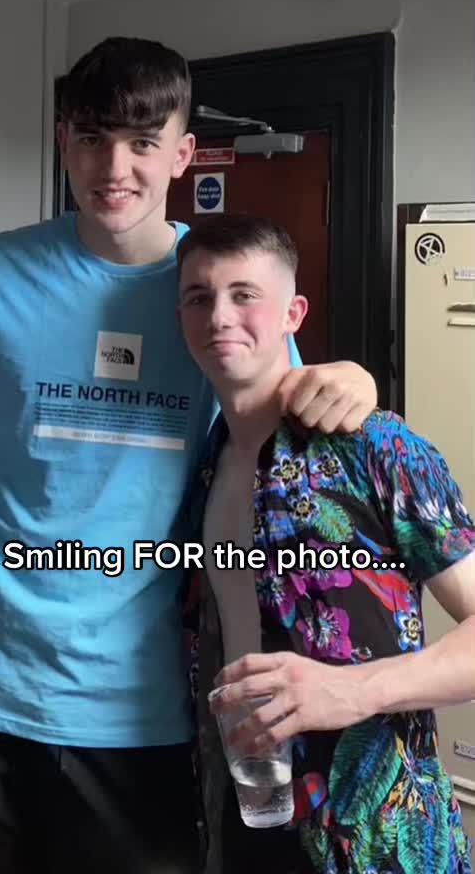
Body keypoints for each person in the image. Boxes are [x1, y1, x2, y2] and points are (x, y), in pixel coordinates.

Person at [0, 37, 376, 874]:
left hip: (143, 705)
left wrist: (354, 376)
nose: (115, 167)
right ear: (63, 142)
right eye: (92, 137)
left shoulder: (211, 288)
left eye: (143, 142)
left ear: (181, 153)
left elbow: (290, 405)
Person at [176, 213, 475, 874]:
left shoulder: (375, 445)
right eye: (199, 297)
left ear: (294, 314)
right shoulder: (205, 466)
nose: (219, 316)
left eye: (244, 294)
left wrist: (354, 690)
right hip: (245, 817)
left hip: (379, 838)